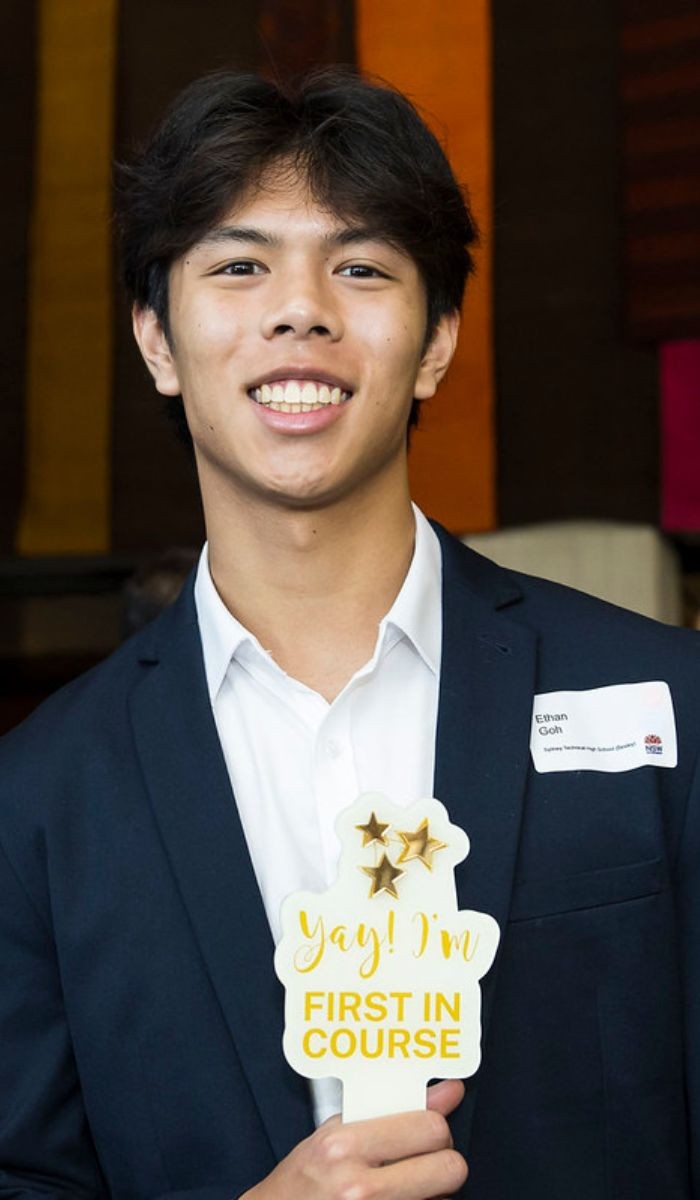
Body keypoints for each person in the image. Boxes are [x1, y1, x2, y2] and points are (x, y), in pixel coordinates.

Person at [0, 68, 698, 1200]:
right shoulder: (34, 803)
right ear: (156, 340)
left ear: (434, 342)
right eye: (238, 265)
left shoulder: (674, 704)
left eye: (361, 266)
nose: (300, 308)